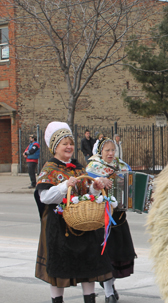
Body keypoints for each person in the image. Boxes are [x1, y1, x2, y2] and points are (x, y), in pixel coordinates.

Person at [35, 122, 113, 303]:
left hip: (83, 223)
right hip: (59, 227)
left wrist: (94, 188)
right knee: (59, 268)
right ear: (55, 147)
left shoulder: (78, 168)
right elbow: (45, 197)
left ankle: (90, 299)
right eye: (64, 144)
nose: (69, 147)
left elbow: (85, 194)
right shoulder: (49, 169)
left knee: (89, 264)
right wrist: (64, 186)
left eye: (70, 143)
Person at [86, 137, 136, 303]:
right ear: (100, 151)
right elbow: (89, 191)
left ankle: (110, 286)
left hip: (119, 217)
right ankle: (108, 293)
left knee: (120, 255)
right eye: (107, 150)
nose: (110, 153)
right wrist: (99, 182)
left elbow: (130, 184)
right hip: (103, 218)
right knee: (107, 257)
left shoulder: (122, 166)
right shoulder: (94, 167)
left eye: (113, 150)